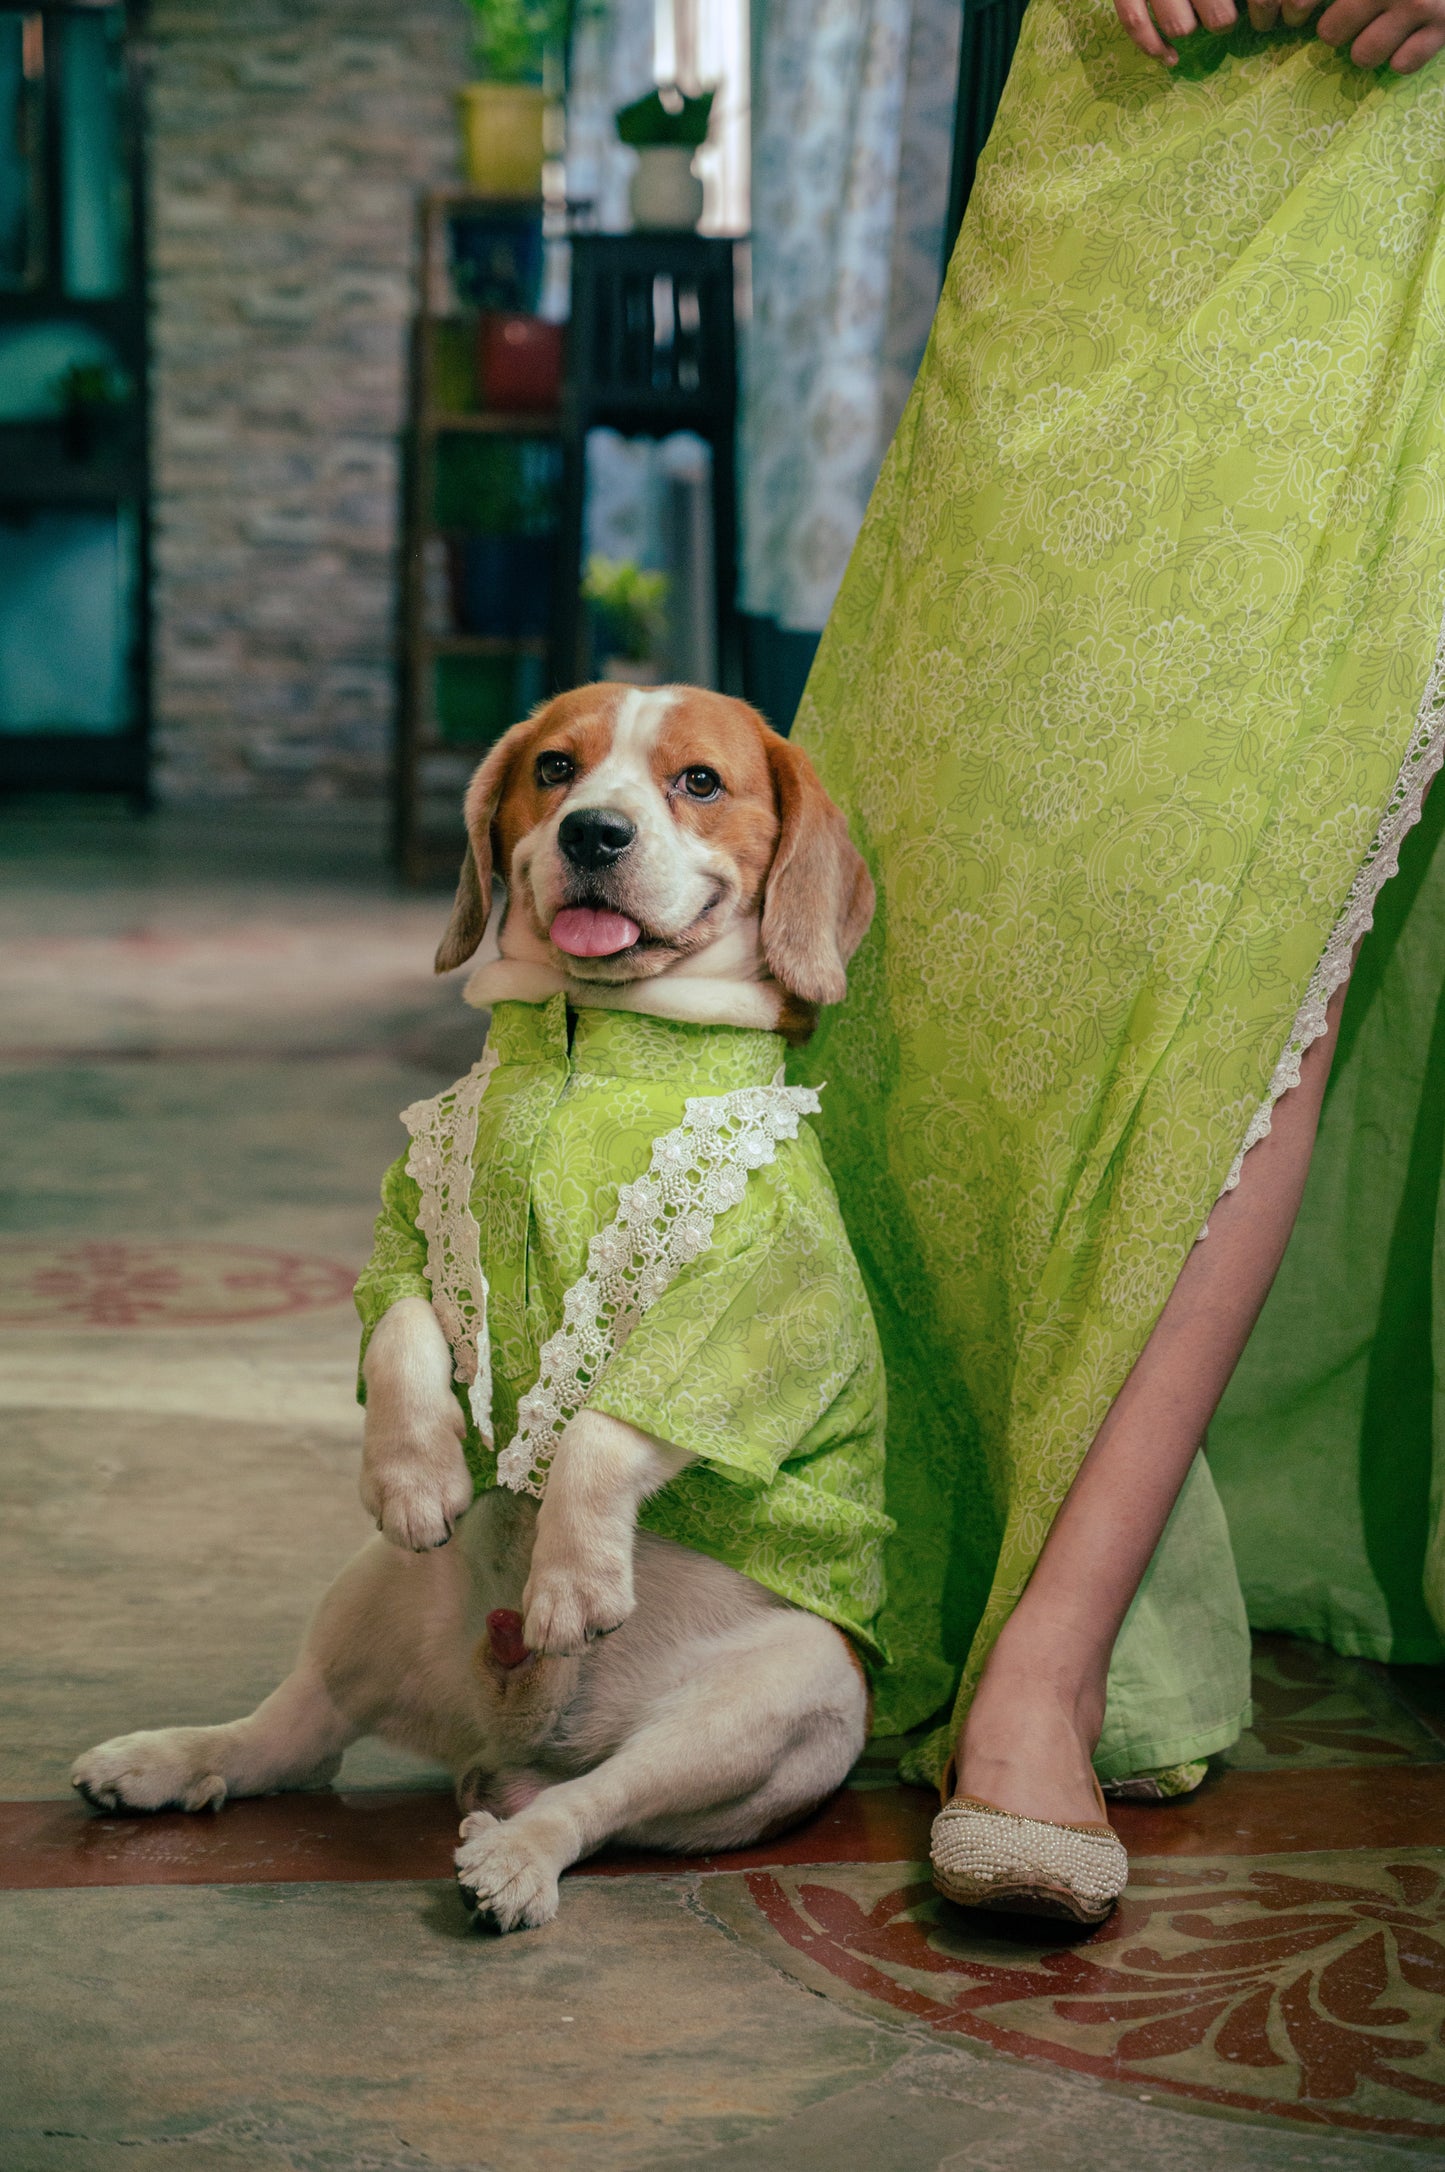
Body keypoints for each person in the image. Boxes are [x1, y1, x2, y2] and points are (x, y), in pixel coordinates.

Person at [791, 0, 1445, 1919]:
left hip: (1405, 140)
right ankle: (848, 1514)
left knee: (1252, 889)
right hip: (1111, 101)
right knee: (979, 868)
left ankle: (1047, 1664)